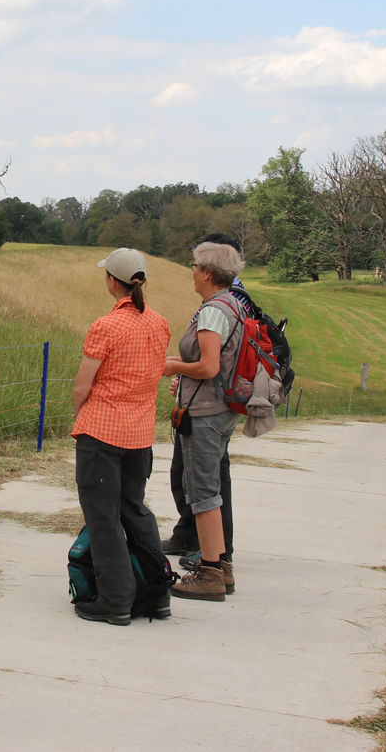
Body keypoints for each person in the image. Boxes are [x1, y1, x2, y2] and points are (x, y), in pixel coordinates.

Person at [70, 247, 171, 626]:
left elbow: (83, 385)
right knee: (136, 511)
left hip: (103, 433)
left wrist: (81, 412)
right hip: (140, 435)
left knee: (103, 518)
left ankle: (115, 600)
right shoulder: (159, 323)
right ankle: (158, 592)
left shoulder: (106, 326)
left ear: (112, 281)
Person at [161, 231, 248, 587]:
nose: (192, 271)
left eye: (196, 266)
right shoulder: (234, 304)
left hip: (205, 414)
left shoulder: (213, 311)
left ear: (209, 273)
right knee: (208, 487)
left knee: (203, 493)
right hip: (221, 410)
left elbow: (209, 366)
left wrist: (175, 366)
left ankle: (210, 571)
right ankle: (220, 568)